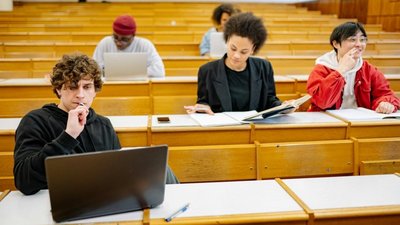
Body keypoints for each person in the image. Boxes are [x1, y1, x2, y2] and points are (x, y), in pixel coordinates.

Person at [14, 53, 178, 196]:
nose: (80, 95)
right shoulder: (35, 121)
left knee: (162, 170)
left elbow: (115, 174)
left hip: (100, 202)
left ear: (95, 90)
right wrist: (68, 136)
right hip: (54, 204)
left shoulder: (103, 124)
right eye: (72, 87)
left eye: (87, 87)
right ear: (58, 89)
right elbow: (24, 181)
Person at [185, 12, 297, 115]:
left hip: (255, 128)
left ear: (253, 49)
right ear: (227, 41)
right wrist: (203, 108)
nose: (236, 55)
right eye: (233, 48)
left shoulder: (264, 67)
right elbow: (203, 103)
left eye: (244, 52)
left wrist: (283, 107)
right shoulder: (207, 71)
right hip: (222, 129)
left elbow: (270, 99)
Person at [307, 22, 400, 113]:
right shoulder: (322, 69)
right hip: (328, 122)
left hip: (360, 123)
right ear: (336, 44)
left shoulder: (369, 70)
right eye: (352, 39)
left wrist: (385, 103)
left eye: (362, 40)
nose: (359, 44)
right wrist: (341, 70)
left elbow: (385, 94)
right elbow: (322, 102)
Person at [93, 15, 165, 77]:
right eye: (115, 37)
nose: (119, 43)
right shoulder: (105, 43)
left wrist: (122, 73)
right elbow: (93, 70)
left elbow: (159, 71)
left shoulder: (145, 45)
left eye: (124, 39)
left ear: (133, 36)